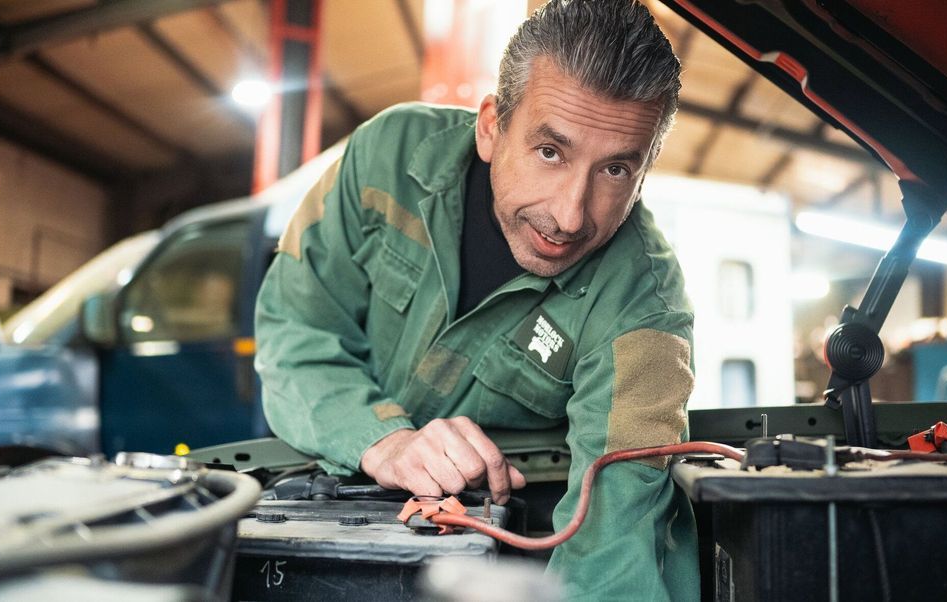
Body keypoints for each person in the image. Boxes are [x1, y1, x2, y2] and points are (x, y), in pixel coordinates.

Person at [255, 0, 697, 597]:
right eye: (550, 152)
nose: (570, 215)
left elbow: (616, 531)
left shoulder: (645, 306)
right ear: (491, 126)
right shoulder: (385, 159)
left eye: (616, 170)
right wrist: (382, 439)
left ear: (644, 173)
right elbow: (295, 330)